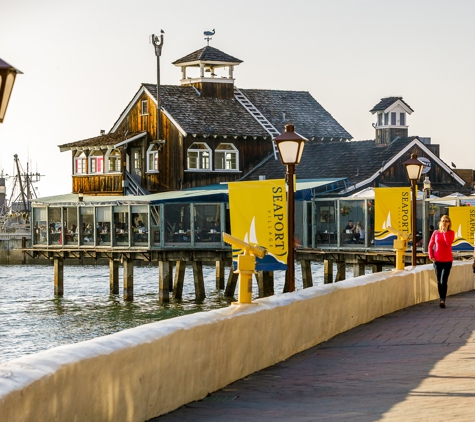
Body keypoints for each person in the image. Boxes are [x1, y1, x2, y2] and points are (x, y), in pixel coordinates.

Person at [428, 215, 455, 309]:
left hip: (447, 261)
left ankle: (443, 299)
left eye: (446, 221)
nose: (444, 222)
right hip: (437, 260)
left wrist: (444, 232)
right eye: (443, 221)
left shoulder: (451, 233)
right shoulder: (435, 233)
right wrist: (431, 255)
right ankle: (441, 299)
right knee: (439, 280)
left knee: (444, 280)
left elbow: (448, 243)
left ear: (449, 223)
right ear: (440, 222)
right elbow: (430, 245)